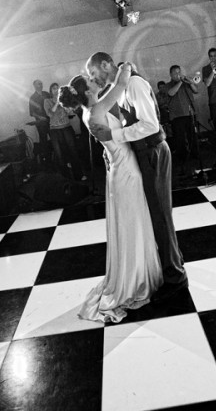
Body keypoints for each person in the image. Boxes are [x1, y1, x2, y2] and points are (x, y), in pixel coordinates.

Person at [58, 63, 162, 322]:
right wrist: (125, 65)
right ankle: (137, 280)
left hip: (117, 168)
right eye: (91, 79)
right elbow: (122, 83)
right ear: (88, 90)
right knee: (134, 223)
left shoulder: (90, 112)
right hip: (126, 170)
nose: (94, 79)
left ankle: (137, 273)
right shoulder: (97, 108)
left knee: (131, 224)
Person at [87, 52, 188, 303]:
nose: (94, 78)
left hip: (153, 150)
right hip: (144, 153)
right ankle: (171, 264)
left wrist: (114, 136)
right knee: (156, 214)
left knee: (160, 214)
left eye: (93, 73)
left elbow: (150, 125)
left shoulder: (133, 84)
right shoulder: (120, 85)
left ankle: (175, 277)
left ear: (106, 65)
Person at [44, 83, 86, 181]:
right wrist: (57, 102)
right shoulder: (47, 101)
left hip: (66, 127)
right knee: (60, 154)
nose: (56, 90)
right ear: (50, 91)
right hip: (55, 130)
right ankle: (65, 178)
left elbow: (69, 111)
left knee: (73, 151)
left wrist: (67, 103)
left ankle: (78, 175)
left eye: (57, 88)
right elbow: (50, 114)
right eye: (53, 88)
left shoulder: (63, 100)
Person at [165, 65, 200, 176]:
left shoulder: (186, 83)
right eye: (175, 73)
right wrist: (180, 82)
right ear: (171, 75)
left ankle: (195, 154)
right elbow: (171, 93)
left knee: (192, 135)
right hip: (177, 116)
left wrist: (190, 82)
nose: (178, 74)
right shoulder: (167, 85)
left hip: (189, 113)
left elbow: (196, 91)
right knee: (180, 137)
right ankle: (182, 157)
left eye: (179, 72)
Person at [29, 79, 51, 162]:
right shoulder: (32, 97)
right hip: (41, 123)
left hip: (50, 120)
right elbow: (32, 112)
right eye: (39, 84)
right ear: (34, 86)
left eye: (41, 84)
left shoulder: (46, 94)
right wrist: (40, 117)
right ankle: (47, 160)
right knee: (43, 140)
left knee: (54, 137)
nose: (41, 85)